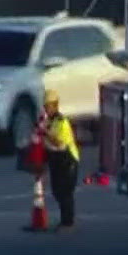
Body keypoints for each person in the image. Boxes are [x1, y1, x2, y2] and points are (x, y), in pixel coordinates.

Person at [39, 91, 80, 229]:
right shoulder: (48, 122)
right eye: (45, 106)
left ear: (56, 106)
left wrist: (45, 132)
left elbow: (58, 143)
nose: (46, 109)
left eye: (49, 106)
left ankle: (68, 223)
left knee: (65, 192)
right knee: (57, 191)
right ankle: (64, 221)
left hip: (68, 160)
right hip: (55, 160)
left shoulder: (62, 122)